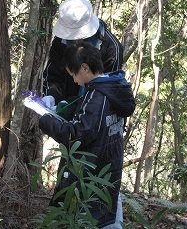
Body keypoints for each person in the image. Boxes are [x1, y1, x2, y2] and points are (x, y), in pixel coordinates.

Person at [38, 41, 135, 228]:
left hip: (91, 175)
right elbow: (89, 117)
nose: (74, 80)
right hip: (108, 172)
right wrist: (62, 107)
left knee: (90, 220)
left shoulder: (96, 96)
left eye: (73, 74)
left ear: (85, 68)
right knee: (108, 216)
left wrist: (45, 119)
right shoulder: (114, 88)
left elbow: (78, 135)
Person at [42, 0, 123, 109]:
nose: (74, 39)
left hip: (95, 114)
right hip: (61, 111)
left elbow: (108, 89)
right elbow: (54, 76)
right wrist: (52, 96)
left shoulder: (111, 48)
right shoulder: (60, 42)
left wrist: (72, 104)